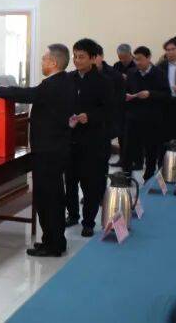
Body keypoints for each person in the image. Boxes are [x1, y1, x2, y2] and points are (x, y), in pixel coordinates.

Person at [0, 44, 76, 257]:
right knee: (53, 195)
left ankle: (53, 244)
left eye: (44, 59)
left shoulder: (53, 85)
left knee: (47, 197)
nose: (41, 62)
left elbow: (28, 94)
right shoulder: (66, 81)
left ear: (53, 62)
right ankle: (53, 240)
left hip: (48, 150)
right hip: (56, 148)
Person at [62, 38, 111, 237]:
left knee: (90, 183)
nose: (77, 60)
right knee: (70, 180)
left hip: (93, 141)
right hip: (70, 139)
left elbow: (109, 110)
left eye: (81, 57)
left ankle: (88, 221)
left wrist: (89, 116)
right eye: (75, 56)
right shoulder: (68, 79)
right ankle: (72, 214)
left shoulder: (103, 82)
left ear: (92, 58)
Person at [124, 46, 170, 178]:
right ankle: (126, 177)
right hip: (133, 117)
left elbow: (166, 94)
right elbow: (126, 90)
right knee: (128, 149)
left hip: (152, 118)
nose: (137, 62)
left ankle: (148, 176)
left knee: (151, 150)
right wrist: (126, 96)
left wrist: (150, 94)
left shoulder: (159, 73)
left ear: (149, 58)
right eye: (135, 59)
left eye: (140, 59)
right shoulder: (131, 72)